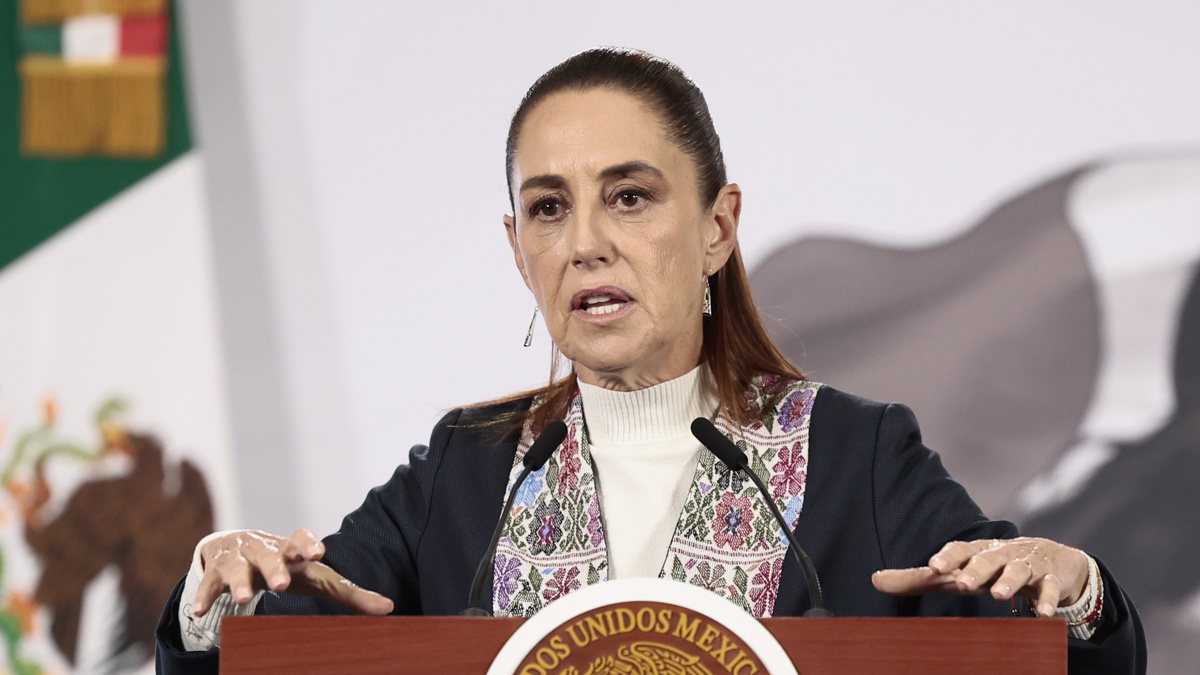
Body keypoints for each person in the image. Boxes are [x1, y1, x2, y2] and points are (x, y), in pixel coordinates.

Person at [155, 48, 1145, 674]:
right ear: (518, 249)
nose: (585, 242)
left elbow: (1033, 640)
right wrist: (224, 593)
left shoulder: (855, 456)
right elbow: (285, 640)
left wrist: (1079, 590)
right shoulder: (469, 469)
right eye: (549, 207)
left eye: (629, 196)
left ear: (718, 228)